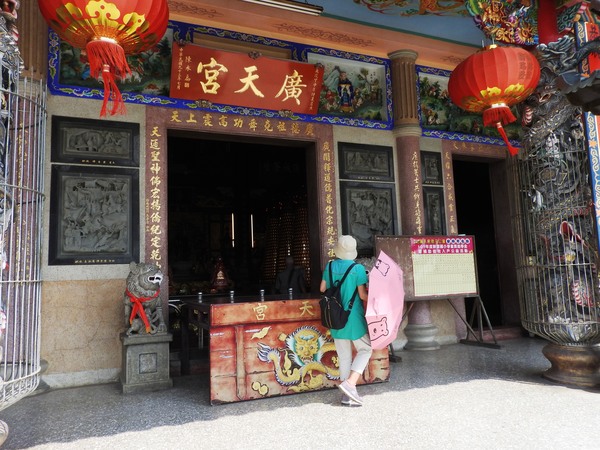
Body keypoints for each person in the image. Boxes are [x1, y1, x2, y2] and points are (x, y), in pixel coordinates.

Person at [320, 235, 372, 407]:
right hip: (352, 316)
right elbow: (362, 295)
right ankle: (350, 383)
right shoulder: (357, 269)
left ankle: (346, 396)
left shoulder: (329, 266)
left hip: (335, 316)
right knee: (365, 349)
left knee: (344, 357)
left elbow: (322, 288)